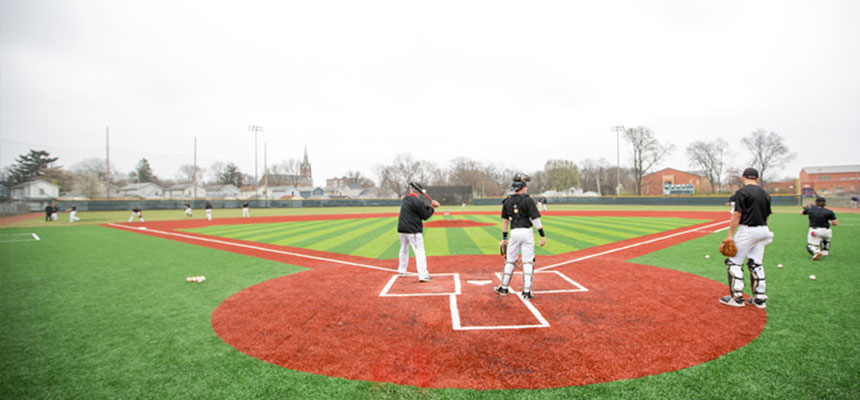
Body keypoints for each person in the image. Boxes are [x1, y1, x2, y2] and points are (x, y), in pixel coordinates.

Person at [720, 167, 773, 309]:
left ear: (743, 177)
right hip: (764, 230)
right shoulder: (765, 194)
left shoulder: (742, 192)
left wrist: (730, 235)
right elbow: (767, 216)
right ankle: (759, 298)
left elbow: (737, 215)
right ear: (758, 178)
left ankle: (737, 297)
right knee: (756, 263)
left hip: (747, 230)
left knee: (733, 262)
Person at [494, 173, 546, 301]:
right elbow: (535, 219)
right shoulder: (528, 200)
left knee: (510, 260)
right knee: (528, 261)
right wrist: (542, 235)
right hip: (527, 232)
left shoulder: (507, 201)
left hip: (514, 233)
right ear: (522, 187)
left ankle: (504, 287)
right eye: (525, 185)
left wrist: (504, 238)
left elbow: (505, 221)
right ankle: (527, 291)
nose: (527, 187)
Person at [396, 182, 440, 282]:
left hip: (401, 229)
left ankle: (401, 270)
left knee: (403, 249)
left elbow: (421, 210)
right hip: (413, 230)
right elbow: (425, 216)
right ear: (419, 192)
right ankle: (423, 275)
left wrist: (430, 206)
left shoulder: (405, 199)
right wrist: (433, 208)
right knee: (420, 251)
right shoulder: (418, 202)